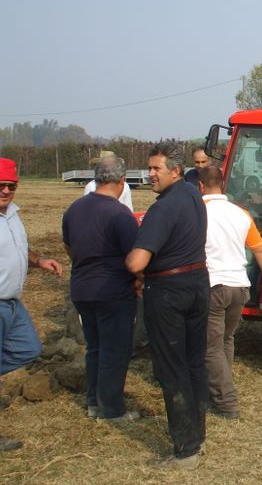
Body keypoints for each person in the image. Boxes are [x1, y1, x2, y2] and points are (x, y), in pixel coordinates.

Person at [125, 142, 209, 470]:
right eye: (149, 168)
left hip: (169, 292)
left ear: (175, 171)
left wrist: (128, 258)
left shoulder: (163, 208)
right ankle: (197, 435)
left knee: (171, 369)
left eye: (156, 169)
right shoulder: (193, 195)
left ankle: (185, 450)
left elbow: (136, 262)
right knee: (194, 364)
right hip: (198, 284)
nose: (150, 175)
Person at [197, 166, 262, 419]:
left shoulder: (197, 212)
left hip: (212, 285)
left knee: (210, 347)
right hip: (239, 287)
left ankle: (226, 401)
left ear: (200, 186)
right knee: (226, 340)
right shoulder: (241, 213)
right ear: (223, 185)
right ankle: (222, 384)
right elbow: (260, 250)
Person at [62, 155, 139, 421]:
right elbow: (134, 259)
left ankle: (93, 401)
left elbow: (69, 246)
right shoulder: (121, 214)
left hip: (82, 289)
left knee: (95, 348)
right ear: (121, 181)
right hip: (112, 291)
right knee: (114, 350)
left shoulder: (75, 209)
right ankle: (112, 410)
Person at [0, 158, 63, 451]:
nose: (5, 191)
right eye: (0, 185)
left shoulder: (13, 215)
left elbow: (19, 249)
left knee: (29, 349)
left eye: (11, 186)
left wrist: (38, 261)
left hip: (12, 304)